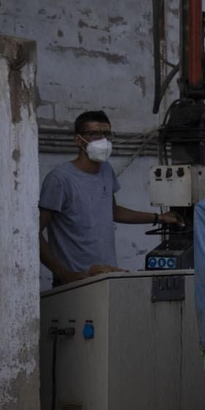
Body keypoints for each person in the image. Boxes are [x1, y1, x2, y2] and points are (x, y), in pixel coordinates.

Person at [39, 110, 179, 286]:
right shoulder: (60, 179)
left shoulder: (106, 170)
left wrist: (159, 218)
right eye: (94, 134)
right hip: (75, 282)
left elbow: (111, 210)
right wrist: (63, 273)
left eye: (106, 134)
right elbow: (35, 232)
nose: (102, 140)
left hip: (108, 276)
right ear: (78, 140)